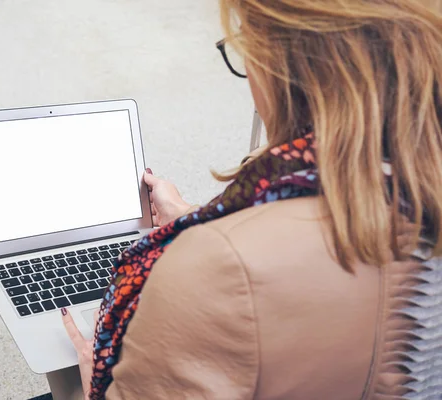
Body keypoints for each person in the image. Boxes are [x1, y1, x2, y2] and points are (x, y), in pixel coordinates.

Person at [49, 0, 442, 398]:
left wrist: (87, 380)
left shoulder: (215, 267)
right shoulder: (420, 194)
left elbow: (248, 271)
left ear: (282, 67)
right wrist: (190, 217)